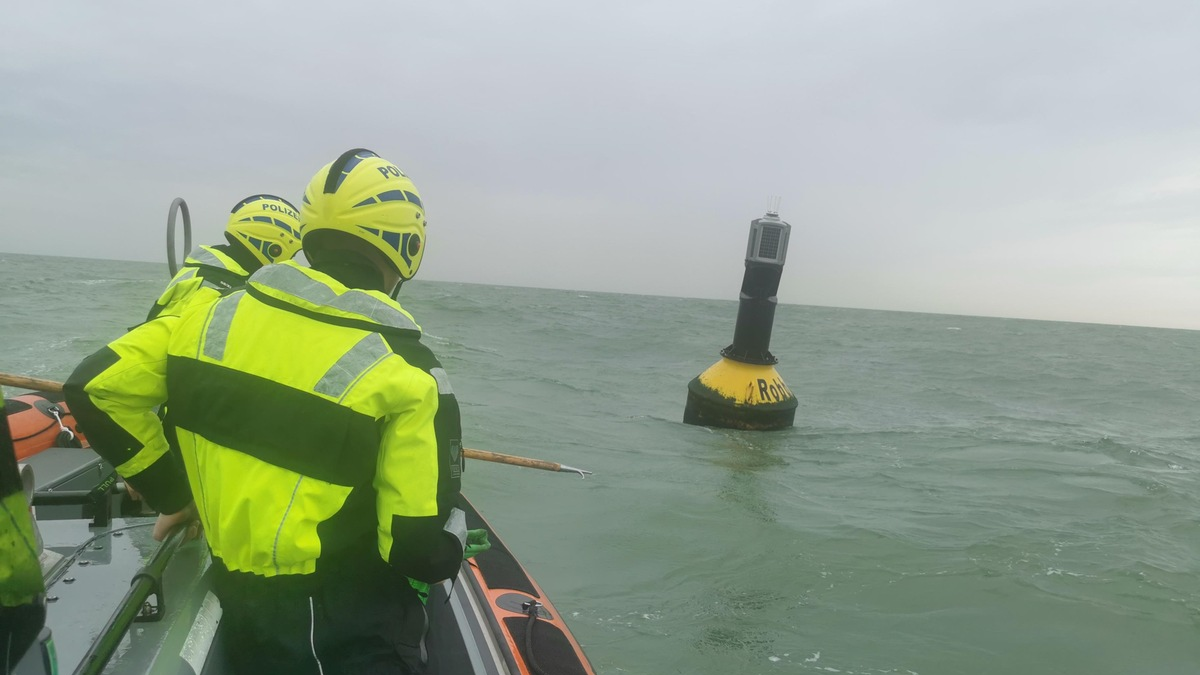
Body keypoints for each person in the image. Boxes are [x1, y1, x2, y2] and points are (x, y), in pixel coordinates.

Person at [65, 149, 484, 674]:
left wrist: (176, 492)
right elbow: (414, 552)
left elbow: (93, 387)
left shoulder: (203, 315)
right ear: (409, 247)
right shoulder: (410, 371)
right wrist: (456, 536)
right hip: (344, 626)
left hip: (238, 595)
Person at [146, 194, 302, 321]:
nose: (292, 261)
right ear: (275, 247)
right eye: (293, 254)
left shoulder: (207, 271)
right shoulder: (224, 289)